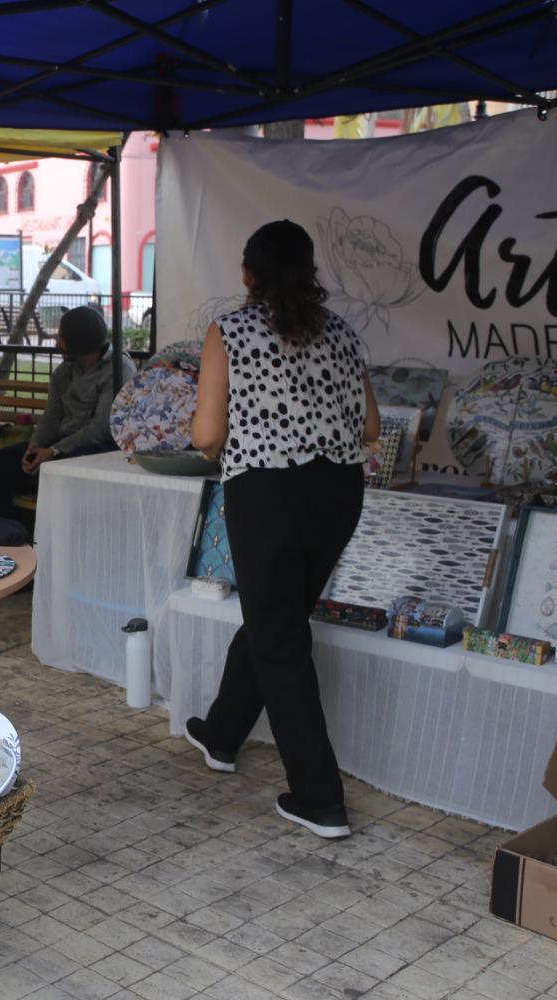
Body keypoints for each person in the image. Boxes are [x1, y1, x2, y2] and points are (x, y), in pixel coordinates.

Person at [185, 219, 381, 840]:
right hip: (337, 493)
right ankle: (221, 734)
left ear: (248, 273)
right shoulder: (343, 333)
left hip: (268, 493)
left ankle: (320, 797)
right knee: (279, 619)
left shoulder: (232, 330)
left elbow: (206, 436)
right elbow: (371, 428)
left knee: (279, 636)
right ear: (308, 271)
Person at [0, 304, 116, 522]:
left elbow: (101, 428)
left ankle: (46, 537)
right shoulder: (65, 370)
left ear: (79, 341)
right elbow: (51, 416)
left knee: (61, 472)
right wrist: (34, 447)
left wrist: (54, 451)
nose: (57, 343)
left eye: (62, 337)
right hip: (57, 448)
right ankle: (9, 535)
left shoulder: (117, 371)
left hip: (93, 452)